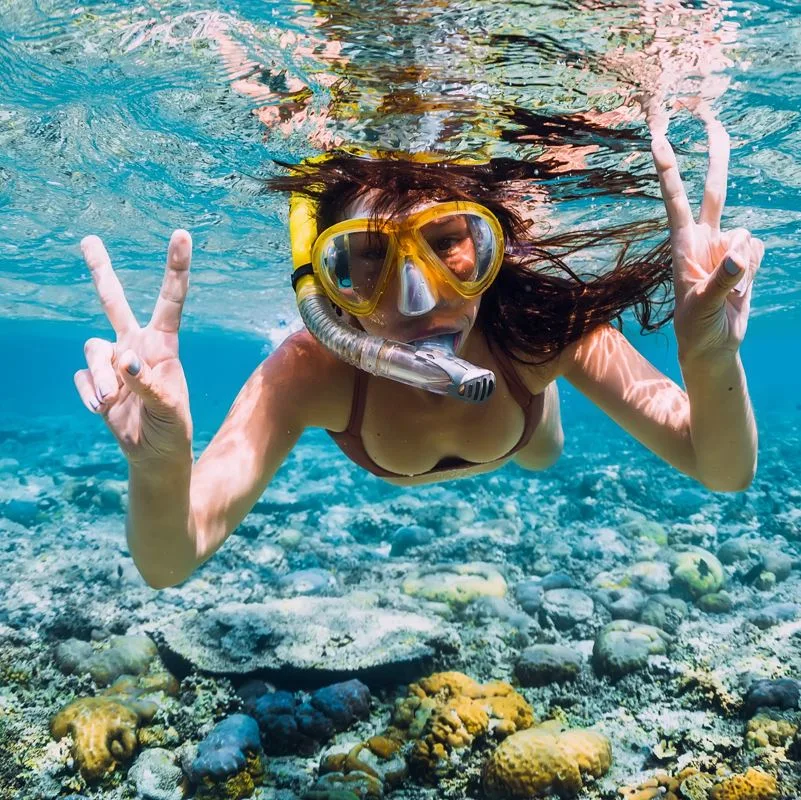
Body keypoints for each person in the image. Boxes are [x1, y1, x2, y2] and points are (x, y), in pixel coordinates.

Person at [74, 104, 763, 590]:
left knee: (541, 451)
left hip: (525, 426)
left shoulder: (536, 331)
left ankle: (542, 413)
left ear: (494, 248)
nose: (415, 299)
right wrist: (161, 467)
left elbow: (718, 467)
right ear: (326, 286)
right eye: (366, 260)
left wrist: (709, 360)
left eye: (447, 245)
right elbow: (169, 563)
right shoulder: (310, 371)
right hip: (501, 417)